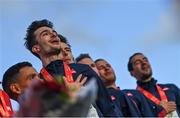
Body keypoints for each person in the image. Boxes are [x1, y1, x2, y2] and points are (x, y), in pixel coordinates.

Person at [24, 19, 120, 117]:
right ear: (36, 48)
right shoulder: (39, 84)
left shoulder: (83, 70)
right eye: (45, 34)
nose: (54, 35)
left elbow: (108, 109)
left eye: (54, 33)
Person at [127, 52, 180, 117]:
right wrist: (160, 110)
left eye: (145, 60)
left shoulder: (172, 88)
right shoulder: (133, 98)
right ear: (132, 73)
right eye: (137, 62)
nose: (144, 62)